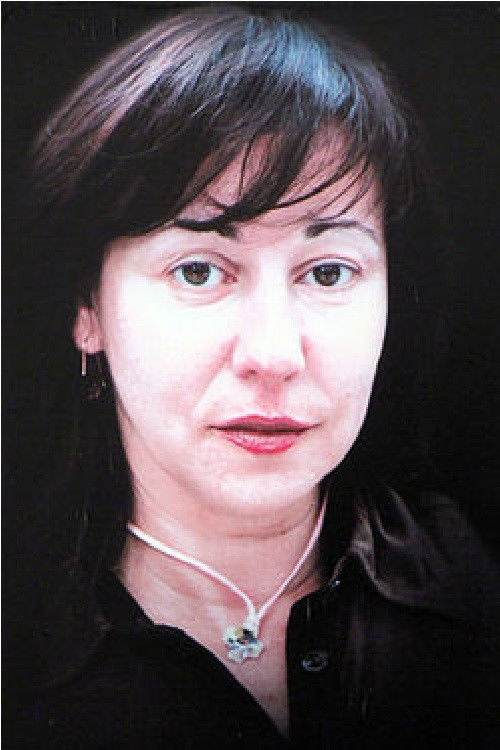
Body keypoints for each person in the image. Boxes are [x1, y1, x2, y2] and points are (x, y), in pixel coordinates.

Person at [8, 5, 499, 749]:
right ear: (88, 308)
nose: (274, 354)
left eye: (327, 272)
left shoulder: (479, 587)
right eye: (199, 270)